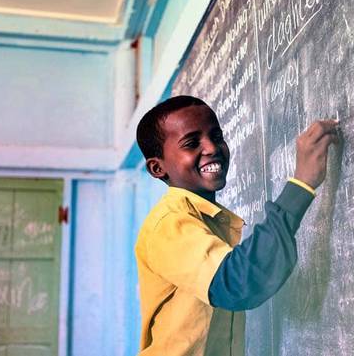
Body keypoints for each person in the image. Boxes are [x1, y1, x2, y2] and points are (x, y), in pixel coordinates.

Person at [135, 95, 340, 356]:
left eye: (217, 136)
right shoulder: (168, 224)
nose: (212, 148)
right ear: (157, 168)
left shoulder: (208, 221)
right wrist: (301, 184)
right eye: (191, 143)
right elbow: (238, 282)